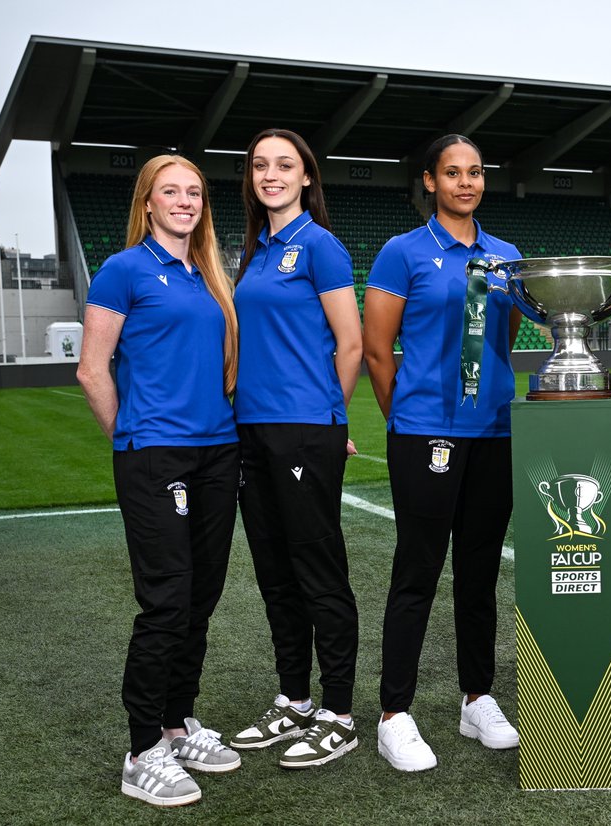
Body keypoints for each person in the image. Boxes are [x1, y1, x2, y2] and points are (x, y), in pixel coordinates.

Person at [78, 154, 242, 807]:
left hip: (218, 451)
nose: (184, 201)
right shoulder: (124, 270)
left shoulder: (209, 275)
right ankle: (143, 746)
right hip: (156, 456)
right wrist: (136, 438)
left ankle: (178, 722)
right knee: (167, 600)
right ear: (147, 203)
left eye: (194, 192)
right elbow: (93, 370)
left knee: (201, 595)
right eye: (170, 191)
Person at [362, 133, 522, 772]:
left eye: (475, 173)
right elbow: (378, 350)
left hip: (497, 432)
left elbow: (506, 335)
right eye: (452, 173)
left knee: (480, 571)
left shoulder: (507, 255)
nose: (465, 182)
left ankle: (475, 697)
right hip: (426, 432)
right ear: (429, 181)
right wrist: (406, 418)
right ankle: (393, 714)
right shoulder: (402, 254)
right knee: (418, 571)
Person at [226, 128, 364, 770]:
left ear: (307, 176)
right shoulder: (256, 251)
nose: (271, 174)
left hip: (303, 430)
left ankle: (338, 713)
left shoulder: (321, 245)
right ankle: (294, 700)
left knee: (318, 573)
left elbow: (352, 343)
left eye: (285, 165)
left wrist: (327, 420)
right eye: (261, 165)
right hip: (249, 430)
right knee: (275, 576)